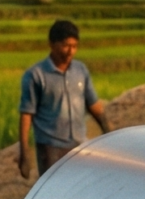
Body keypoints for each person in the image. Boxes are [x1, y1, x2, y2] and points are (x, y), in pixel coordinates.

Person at [18, 19, 110, 179]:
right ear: (52, 44)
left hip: (79, 145)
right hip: (50, 148)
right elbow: (27, 114)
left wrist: (109, 130)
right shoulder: (36, 75)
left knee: (79, 188)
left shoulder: (80, 70)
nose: (70, 51)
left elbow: (93, 104)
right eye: (66, 46)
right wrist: (24, 152)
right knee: (55, 189)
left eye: (74, 46)